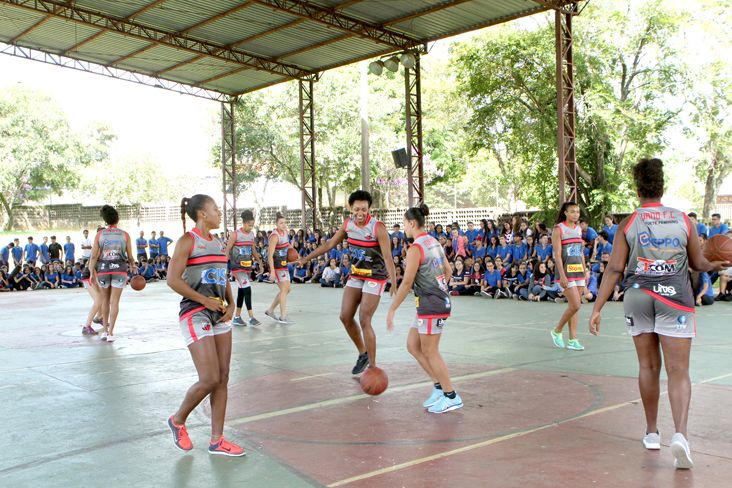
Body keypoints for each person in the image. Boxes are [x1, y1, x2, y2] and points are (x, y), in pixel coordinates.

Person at [589, 158, 729, 470]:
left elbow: (614, 268)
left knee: (648, 366)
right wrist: (717, 264)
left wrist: (597, 308)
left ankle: (652, 432)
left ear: (637, 188)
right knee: (678, 371)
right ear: (662, 186)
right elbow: (698, 263)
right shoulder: (682, 220)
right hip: (674, 298)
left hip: (638, 295)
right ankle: (681, 434)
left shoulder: (629, 223)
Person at [166, 194, 244, 457]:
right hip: (195, 312)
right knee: (209, 378)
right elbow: (173, 280)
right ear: (201, 213)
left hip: (220, 313)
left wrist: (231, 304)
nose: (219, 213)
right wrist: (205, 301)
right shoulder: (188, 241)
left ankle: (217, 440)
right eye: (215, 209)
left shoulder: (219, 242)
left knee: (222, 377)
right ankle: (177, 420)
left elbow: (222, 277)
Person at [299, 190, 397, 374]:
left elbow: (387, 257)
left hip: (375, 276)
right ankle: (363, 353)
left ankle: (373, 368)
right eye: (356, 209)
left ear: (369, 209)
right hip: (356, 274)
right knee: (345, 316)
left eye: (364, 209)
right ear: (350, 209)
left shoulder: (378, 228)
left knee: (364, 318)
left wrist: (394, 281)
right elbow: (328, 245)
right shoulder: (348, 225)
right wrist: (307, 258)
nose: (360, 213)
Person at [386, 204, 462, 413]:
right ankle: (439, 388)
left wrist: (392, 309)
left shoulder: (416, 248)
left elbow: (407, 282)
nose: (404, 228)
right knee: (413, 345)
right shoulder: (434, 242)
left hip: (432, 304)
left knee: (430, 351)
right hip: (430, 302)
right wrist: (439, 289)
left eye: (404, 224)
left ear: (411, 223)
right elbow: (447, 270)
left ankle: (451, 395)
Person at [89, 205, 137, 342]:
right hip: (119, 269)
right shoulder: (125, 235)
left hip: (104, 268)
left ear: (105, 220)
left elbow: (93, 256)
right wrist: (133, 266)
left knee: (105, 300)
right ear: (117, 218)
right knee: (114, 301)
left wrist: (92, 271)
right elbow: (130, 256)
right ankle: (111, 333)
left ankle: (104, 331)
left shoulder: (100, 235)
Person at [550, 201, 587, 351]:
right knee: (575, 304)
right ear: (565, 213)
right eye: (572, 211)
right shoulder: (558, 229)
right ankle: (557, 330)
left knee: (575, 307)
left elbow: (581, 253)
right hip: (566, 273)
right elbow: (557, 255)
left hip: (578, 271)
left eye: (577, 212)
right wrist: (563, 276)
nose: (575, 214)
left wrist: (585, 272)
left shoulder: (579, 229)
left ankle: (573, 340)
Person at [225, 210, 263, 327]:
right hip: (237, 267)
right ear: (244, 223)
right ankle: (251, 317)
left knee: (242, 291)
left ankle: (237, 317)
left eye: (252, 225)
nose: (250, 227)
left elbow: (253, 250)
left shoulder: (251, 235)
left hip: (247, 266)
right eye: (249, 225)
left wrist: (260, 263)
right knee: (247, 288)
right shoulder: (235, 234)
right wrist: (224, 267)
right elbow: (227, 250)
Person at [265, 213, 294, 324]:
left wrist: (297, 256)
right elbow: (270, 255)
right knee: (284, 289)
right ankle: (283, 316)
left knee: (287, 289)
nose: (283, 224)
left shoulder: (285, 233)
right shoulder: (275, 236)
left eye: (284, 222)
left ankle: (270, 310)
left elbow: (288, 246)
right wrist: (272, 271)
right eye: (281, 223)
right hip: (276, 266)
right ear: (276, 224)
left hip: (283, 265)